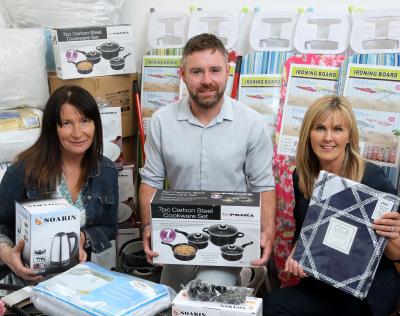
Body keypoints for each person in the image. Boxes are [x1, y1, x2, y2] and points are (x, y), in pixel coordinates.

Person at [139, 33, 276, 292]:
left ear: (228, 72)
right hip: (182, 232)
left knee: (204, 296)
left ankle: (243, 273)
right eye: (197, 72)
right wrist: (148, 225)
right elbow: (151, 181)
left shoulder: (251, 123)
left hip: (229, 240)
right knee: (168, 302)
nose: (207, 81)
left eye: (215, 70)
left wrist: (267, 230)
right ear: (183, 74)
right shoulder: (161, 121)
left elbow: (263, 185)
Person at [263, 95, 400, 316]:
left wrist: (395, 236)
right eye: (320, 128)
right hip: (323, 281)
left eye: (337, 129)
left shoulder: (372, 178)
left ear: (349, 136)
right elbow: (304, 232)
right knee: (272, 308)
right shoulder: (302, 176)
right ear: (309, 134)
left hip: (363, 291)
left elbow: (394, 254)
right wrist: (298, 252)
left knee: (273, 308)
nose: (328, 138)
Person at [0, 85, 119, 285]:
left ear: (95, 124)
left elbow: (108, 227)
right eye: (66, 123)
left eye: (85, 121)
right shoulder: (23, 170)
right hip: (31, 283)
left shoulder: (106, 170)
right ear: (52, 128)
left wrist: (81, 238)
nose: (78, 133)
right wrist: (6, 254)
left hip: (83, 280)